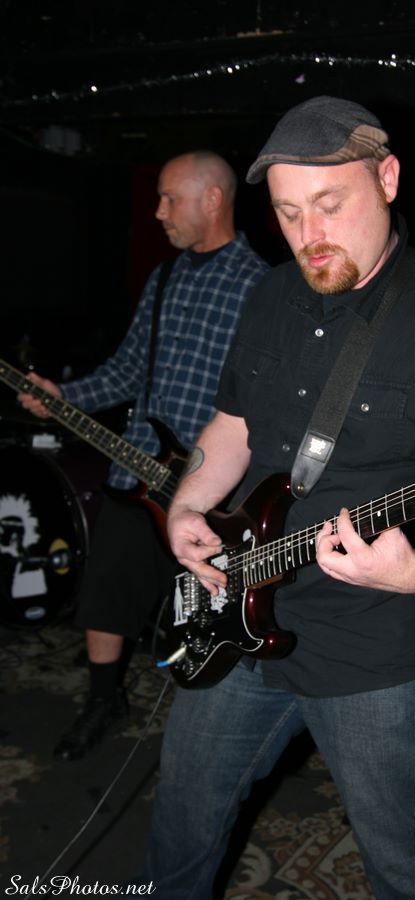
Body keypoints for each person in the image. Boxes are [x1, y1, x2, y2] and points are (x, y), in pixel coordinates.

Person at [141, 98, 415, 899]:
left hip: (382, 646)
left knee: (406, 854)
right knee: (182, 814)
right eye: (288, 212)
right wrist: (189, 504)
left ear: (387, 179)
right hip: (240, 614)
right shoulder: (268, 295)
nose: (309, 232)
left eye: (329, 203)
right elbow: (234, 424)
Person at [17, 150, 269, 761]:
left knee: (211, 619)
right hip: (139, 471)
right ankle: (104, 699)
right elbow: (130, 368)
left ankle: (222, 731)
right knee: (106, 585)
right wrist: (63, 398)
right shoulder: (163, 279)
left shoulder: (263, 286)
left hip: (213, 492)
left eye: (170, 198)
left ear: (213, 199)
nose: (158, 212)